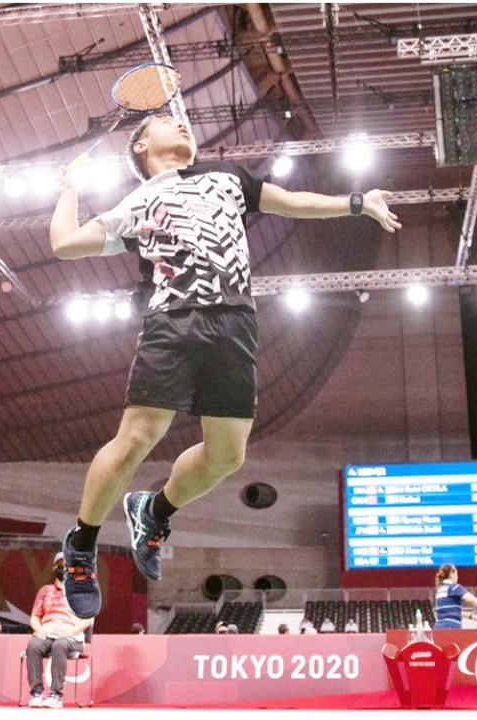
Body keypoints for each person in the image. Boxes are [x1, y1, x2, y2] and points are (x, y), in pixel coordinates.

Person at [50, 114, 401, 619]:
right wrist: (69, 189)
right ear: (142, 144)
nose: (183, 125)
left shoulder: (228, 180)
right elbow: (64, 244)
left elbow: (292, 203)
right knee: (136, 439)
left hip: (235, 324)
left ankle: (154, 511)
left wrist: (356, 203)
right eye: (167, 122)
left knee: (227, 456)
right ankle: (81, 545)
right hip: (172, 322)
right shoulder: (136, 205)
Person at [26, 552, 93, 709]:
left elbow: (87, 619)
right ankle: (36, 693)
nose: (63, 569)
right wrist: (39, 629)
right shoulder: (45, 591)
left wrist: (71, 632)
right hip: (47, 633)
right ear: (54, 568)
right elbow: (34, 617)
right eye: (60, 566)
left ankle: (55, 695)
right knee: (33, 645)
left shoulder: (81, 591)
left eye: (66, 566)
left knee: (60, 645)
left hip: (71, 637)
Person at [433, 564, 477, 629]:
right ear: (452, 574)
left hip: (438, 627)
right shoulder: (454, 587)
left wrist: (471, 616)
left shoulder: (440, 589)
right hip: (451, 627)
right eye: (457, 574)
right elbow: (471, 600)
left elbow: (452, 611)